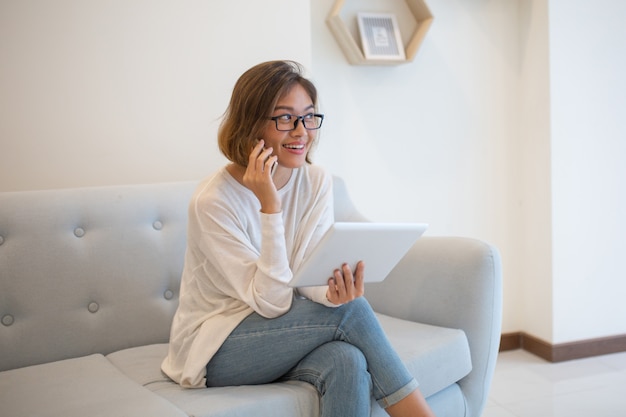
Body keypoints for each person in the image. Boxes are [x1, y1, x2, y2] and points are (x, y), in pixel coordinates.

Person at [161, 60, 435, 417]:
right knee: (351, 314)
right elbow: (273, 302)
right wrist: (269, 209)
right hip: (214, 348)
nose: (302, 131)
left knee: (347, 359)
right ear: (251, 125)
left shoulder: (315, 180)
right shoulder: (214, 202)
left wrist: (332, 294)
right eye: (285, 118)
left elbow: (307, 276)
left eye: (308, 117)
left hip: (281, 333)